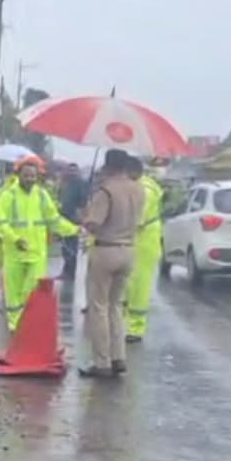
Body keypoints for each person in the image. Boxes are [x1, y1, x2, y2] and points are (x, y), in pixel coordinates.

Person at [0, 156, 78, 331]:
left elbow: (54, 220)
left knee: (32, 290)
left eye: (33, 176)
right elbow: (0, 223)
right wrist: (15, 239)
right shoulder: (8, 195)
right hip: (14, 253)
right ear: (18, 175)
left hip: (37, 254)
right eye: (26, 175)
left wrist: (74, 230)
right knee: (13, 293)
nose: (30, 179)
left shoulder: (41, 195)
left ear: (38, 176)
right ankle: (15, 325)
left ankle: (27, 323)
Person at [77, 150, 143, 378]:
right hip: (129, 250)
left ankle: (102, 362)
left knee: (99, 308)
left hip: (106, 250)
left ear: (108, 166)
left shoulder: (105, 191)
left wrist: (85, 215)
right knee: (116, 307)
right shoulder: (139, 189)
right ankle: (119, 357)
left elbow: (94, 224)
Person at [123, 157, 162, 343]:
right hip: (138, 241)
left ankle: (136, 327)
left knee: (139, 287)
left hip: (144, 244)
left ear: (133, 172)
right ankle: (129, 324)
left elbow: (137, 219)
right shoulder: (137, 187)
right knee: (129, 284)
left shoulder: (145, 191)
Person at [58, 163, 88, 280]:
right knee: (65, 246)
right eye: (70, 170)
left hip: (73, 218)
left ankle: (70, 272)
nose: (72, 173)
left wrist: (80, 215)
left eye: (74, 171)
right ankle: (66, 270)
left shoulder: (80, 184)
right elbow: (60, 198)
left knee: (71, 247)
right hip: (63, 218)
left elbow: (83, 201)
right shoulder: (64, 183)